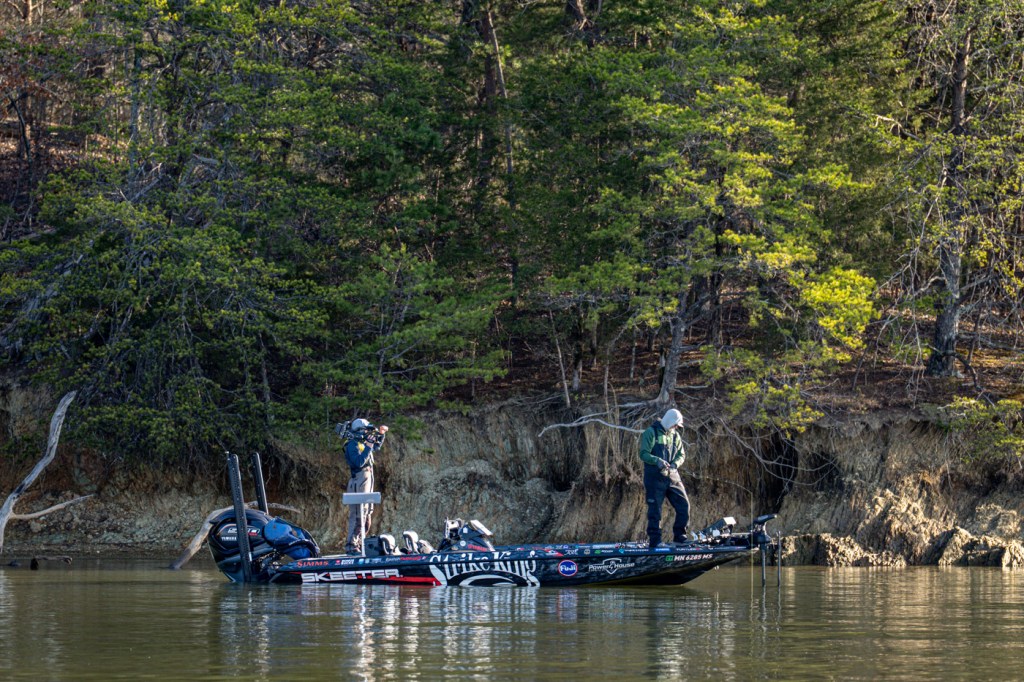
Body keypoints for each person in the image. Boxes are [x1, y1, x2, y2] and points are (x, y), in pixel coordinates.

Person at [639, 408, 689, 547]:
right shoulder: (651, 432)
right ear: (669, 421)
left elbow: (681, 455)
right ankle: (655, 541)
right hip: (654, 478)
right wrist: (657, 461)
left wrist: (675, 464)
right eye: (675, 425)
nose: (676, 428)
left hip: (672, 476)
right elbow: (643, 454)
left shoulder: (675, 435)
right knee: (655, 511)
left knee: (684, 505)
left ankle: (680, 537)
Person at [339, 417, 389, 554]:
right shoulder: (352, 445)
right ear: (359, 431)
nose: (368, 433)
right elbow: (359, 462)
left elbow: (376, 446)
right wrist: (368, 446)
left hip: (367, 479)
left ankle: (359, 544)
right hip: (358, 480)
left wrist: (381, 434)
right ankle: (351, 546)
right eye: (366, 431)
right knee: (358, 515)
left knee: (367, 515)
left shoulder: (361, 443)